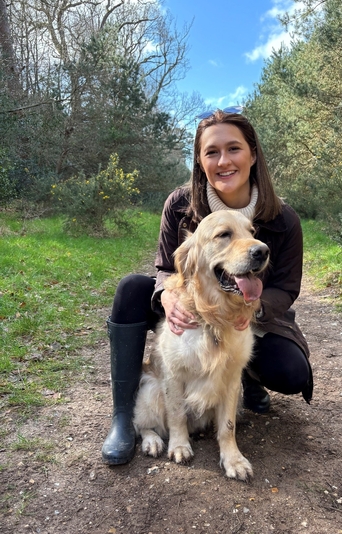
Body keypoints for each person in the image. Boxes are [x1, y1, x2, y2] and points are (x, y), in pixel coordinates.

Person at [101, 108, 313, 465]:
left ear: (253, 154)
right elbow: (169, 267)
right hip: (199, 302)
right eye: (211, 152)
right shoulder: (179, 204)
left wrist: (255, 310)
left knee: (290, 370)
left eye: (234, 149)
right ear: (200, 162)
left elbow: (287, 288)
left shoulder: (284, 218)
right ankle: (124, 415)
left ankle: (246, 380)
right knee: (130, 289)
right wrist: (167, 294)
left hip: (253, 314)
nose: (223, 160)